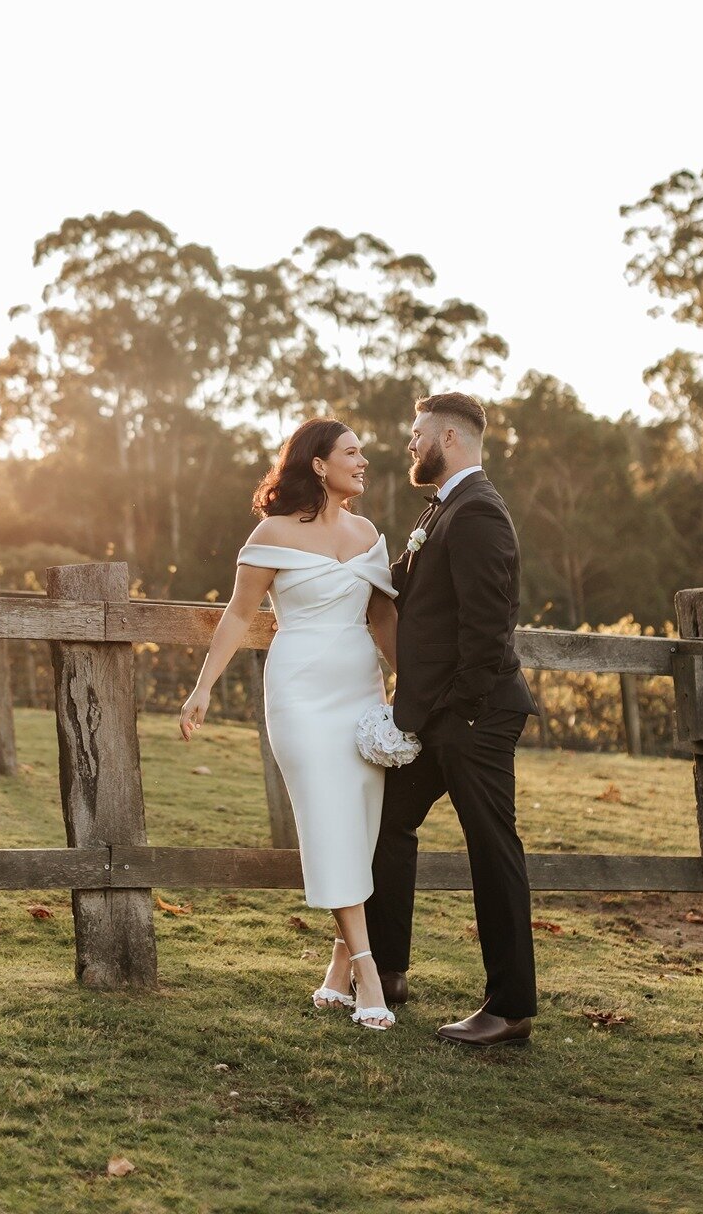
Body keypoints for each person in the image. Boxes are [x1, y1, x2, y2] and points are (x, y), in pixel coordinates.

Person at [178, 418, 400, 1029]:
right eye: (352, 453)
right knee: (326, 820)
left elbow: (383, 621)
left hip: (360, 693)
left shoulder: (369, 534)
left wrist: (411, 695)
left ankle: (335, 973)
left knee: (358, 825)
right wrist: (202, 690)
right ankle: (367, 969)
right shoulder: (272, 533)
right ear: (319, 465)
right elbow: (236, 615)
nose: (363, 462)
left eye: (363, 453)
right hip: (300, 694)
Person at [366, 391, 540, 1048]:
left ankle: (510, 1007)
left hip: (475, 718)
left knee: (492, 850)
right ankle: (385, 970)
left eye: (416, 434)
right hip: (438, 717)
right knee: (385, 822)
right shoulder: (442, 509)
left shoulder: (477, 514)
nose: (408, 445)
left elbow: (488, 629)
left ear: (449, 438)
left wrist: (460, 711)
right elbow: (398, 587)